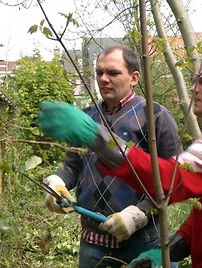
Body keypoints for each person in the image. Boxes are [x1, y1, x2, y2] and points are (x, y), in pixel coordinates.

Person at [38, 54, 202, 267]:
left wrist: (97, 138)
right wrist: (176, 247)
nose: (194, 88)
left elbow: (172, 179)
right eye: (195, 81)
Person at [41, 46, 179, 267]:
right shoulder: (86, 116)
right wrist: (56, 182)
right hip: (93, 243)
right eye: (99, 72)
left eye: (113, 73)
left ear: (134, 78)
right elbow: (72, 166)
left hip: (143, 241)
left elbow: (173, 179)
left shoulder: (156, 116)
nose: (103, 79)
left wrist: (138, 215)